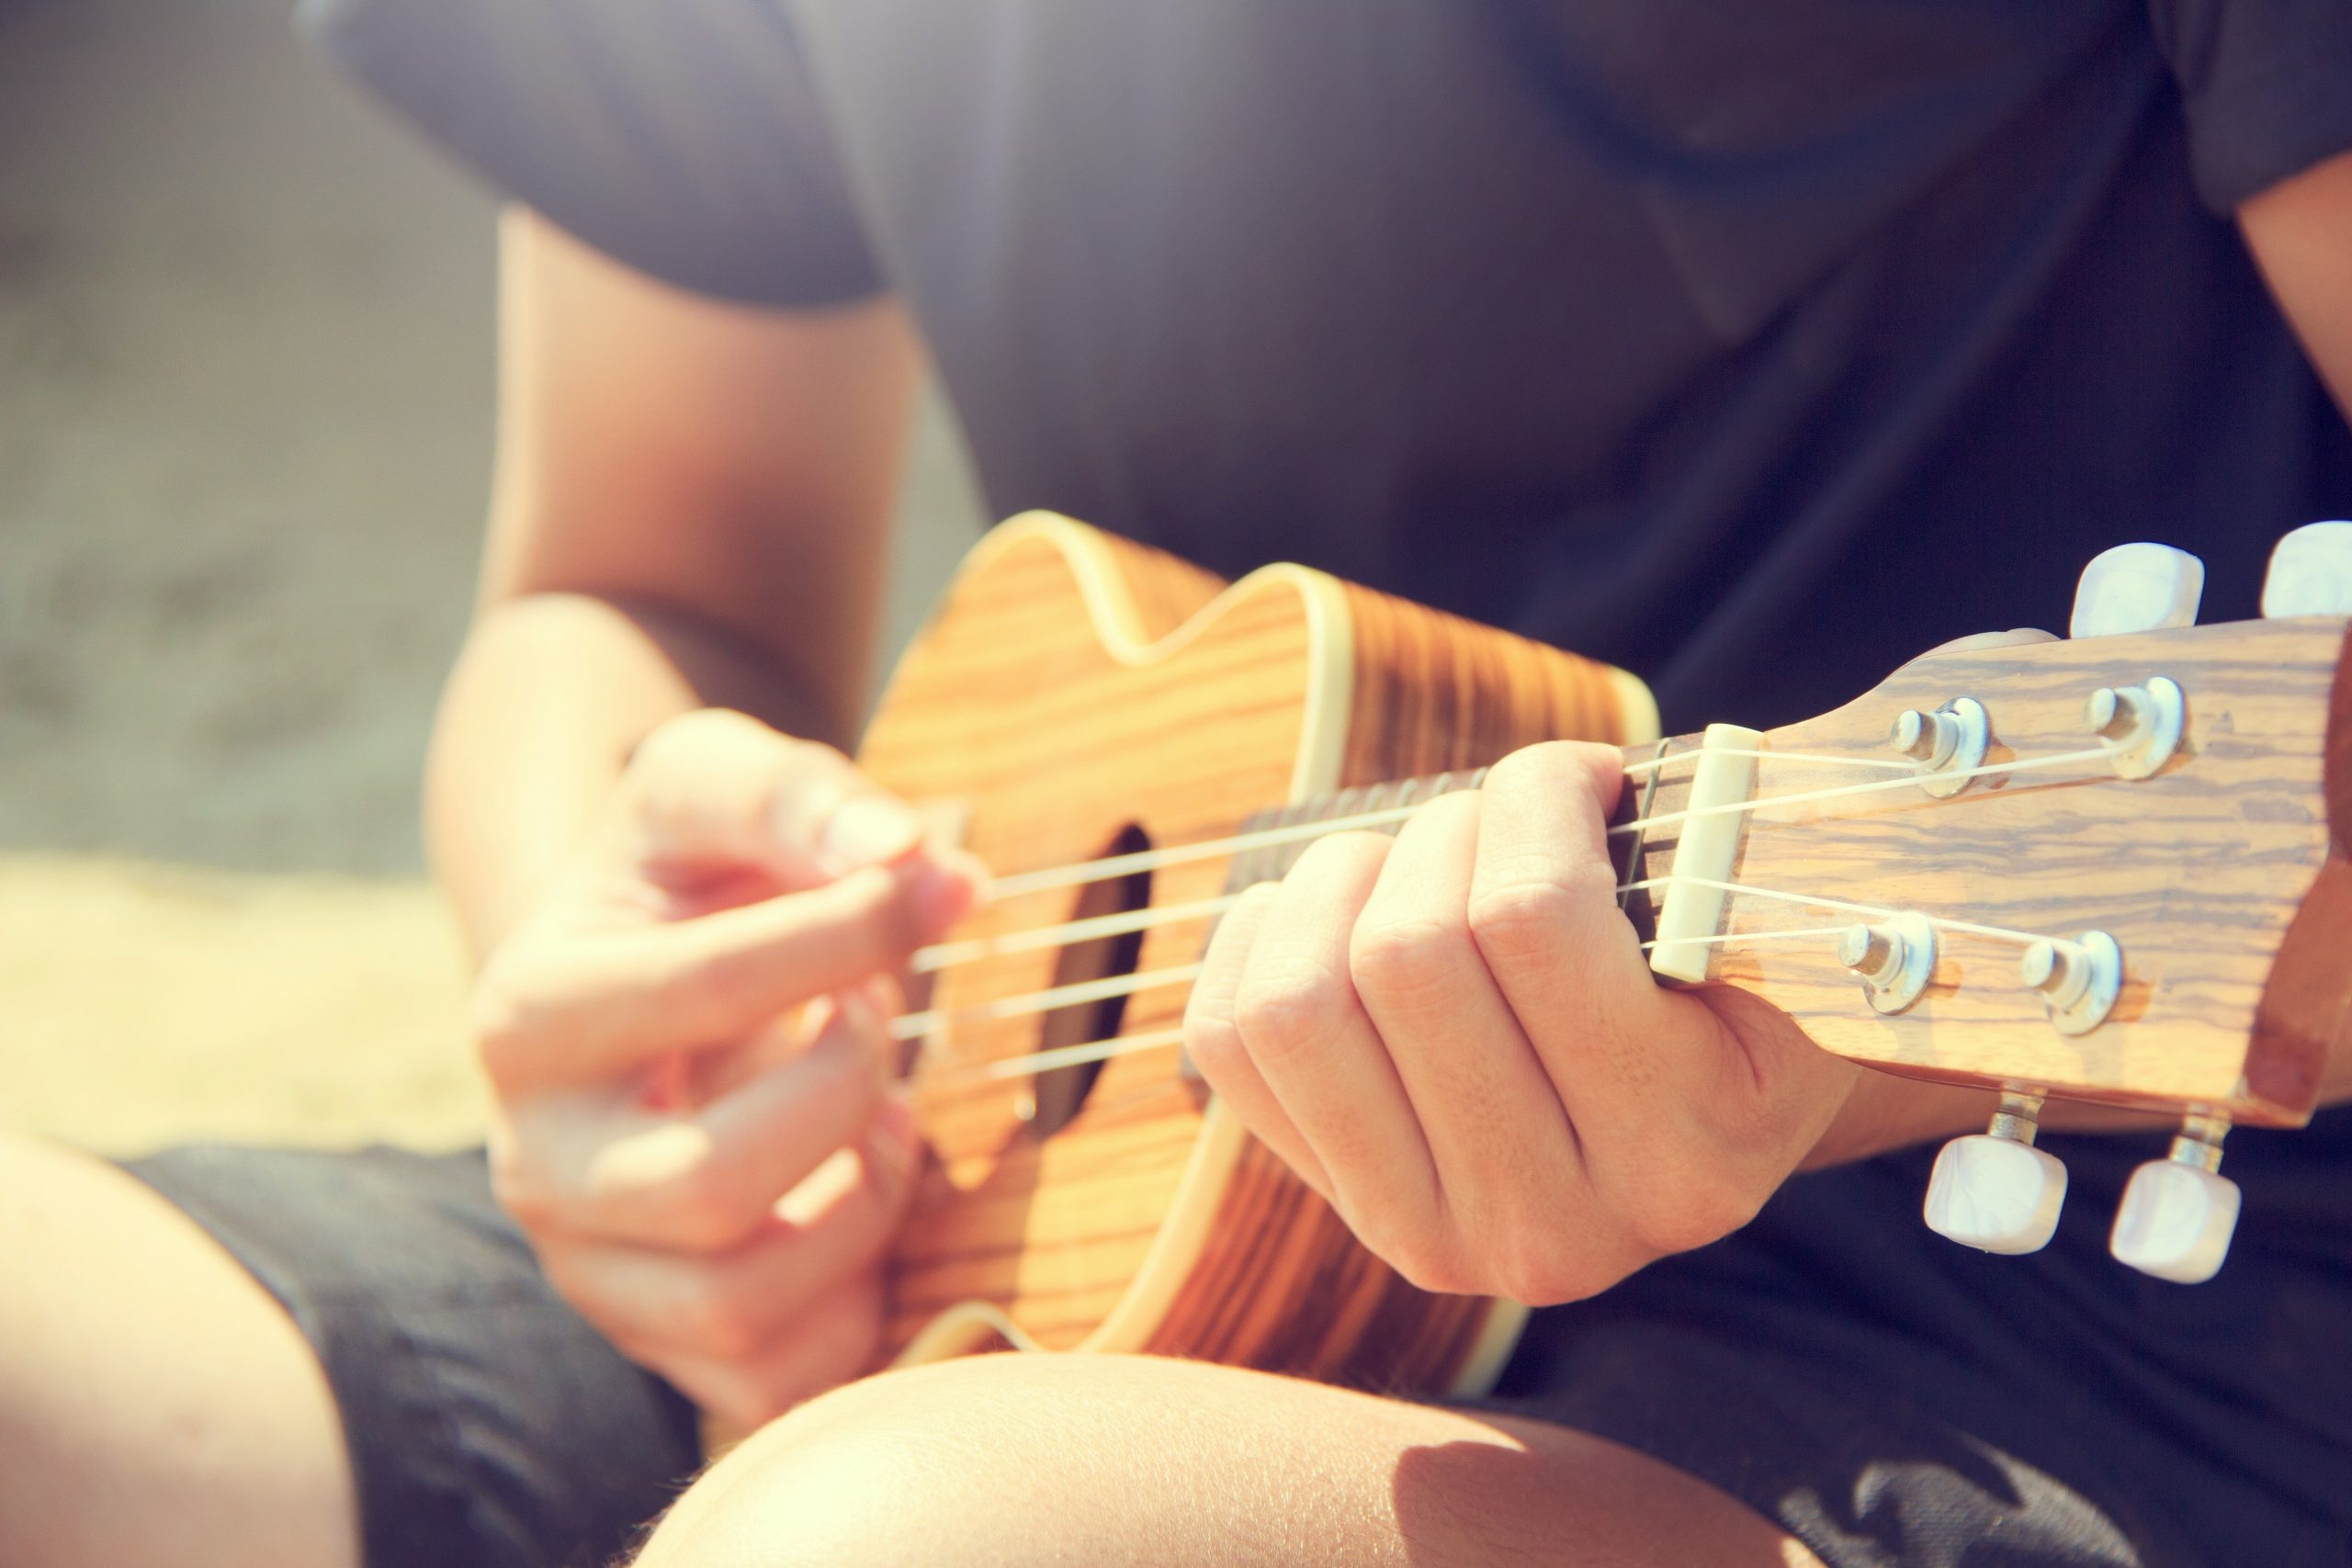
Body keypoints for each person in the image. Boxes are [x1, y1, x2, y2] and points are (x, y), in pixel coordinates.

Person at [6, 1, 2350, 1564]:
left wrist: (1818, 1032)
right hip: (1007, 1205)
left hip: (2080, 1338)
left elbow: (2247, 824)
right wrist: (633, 998)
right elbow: (639, 571)